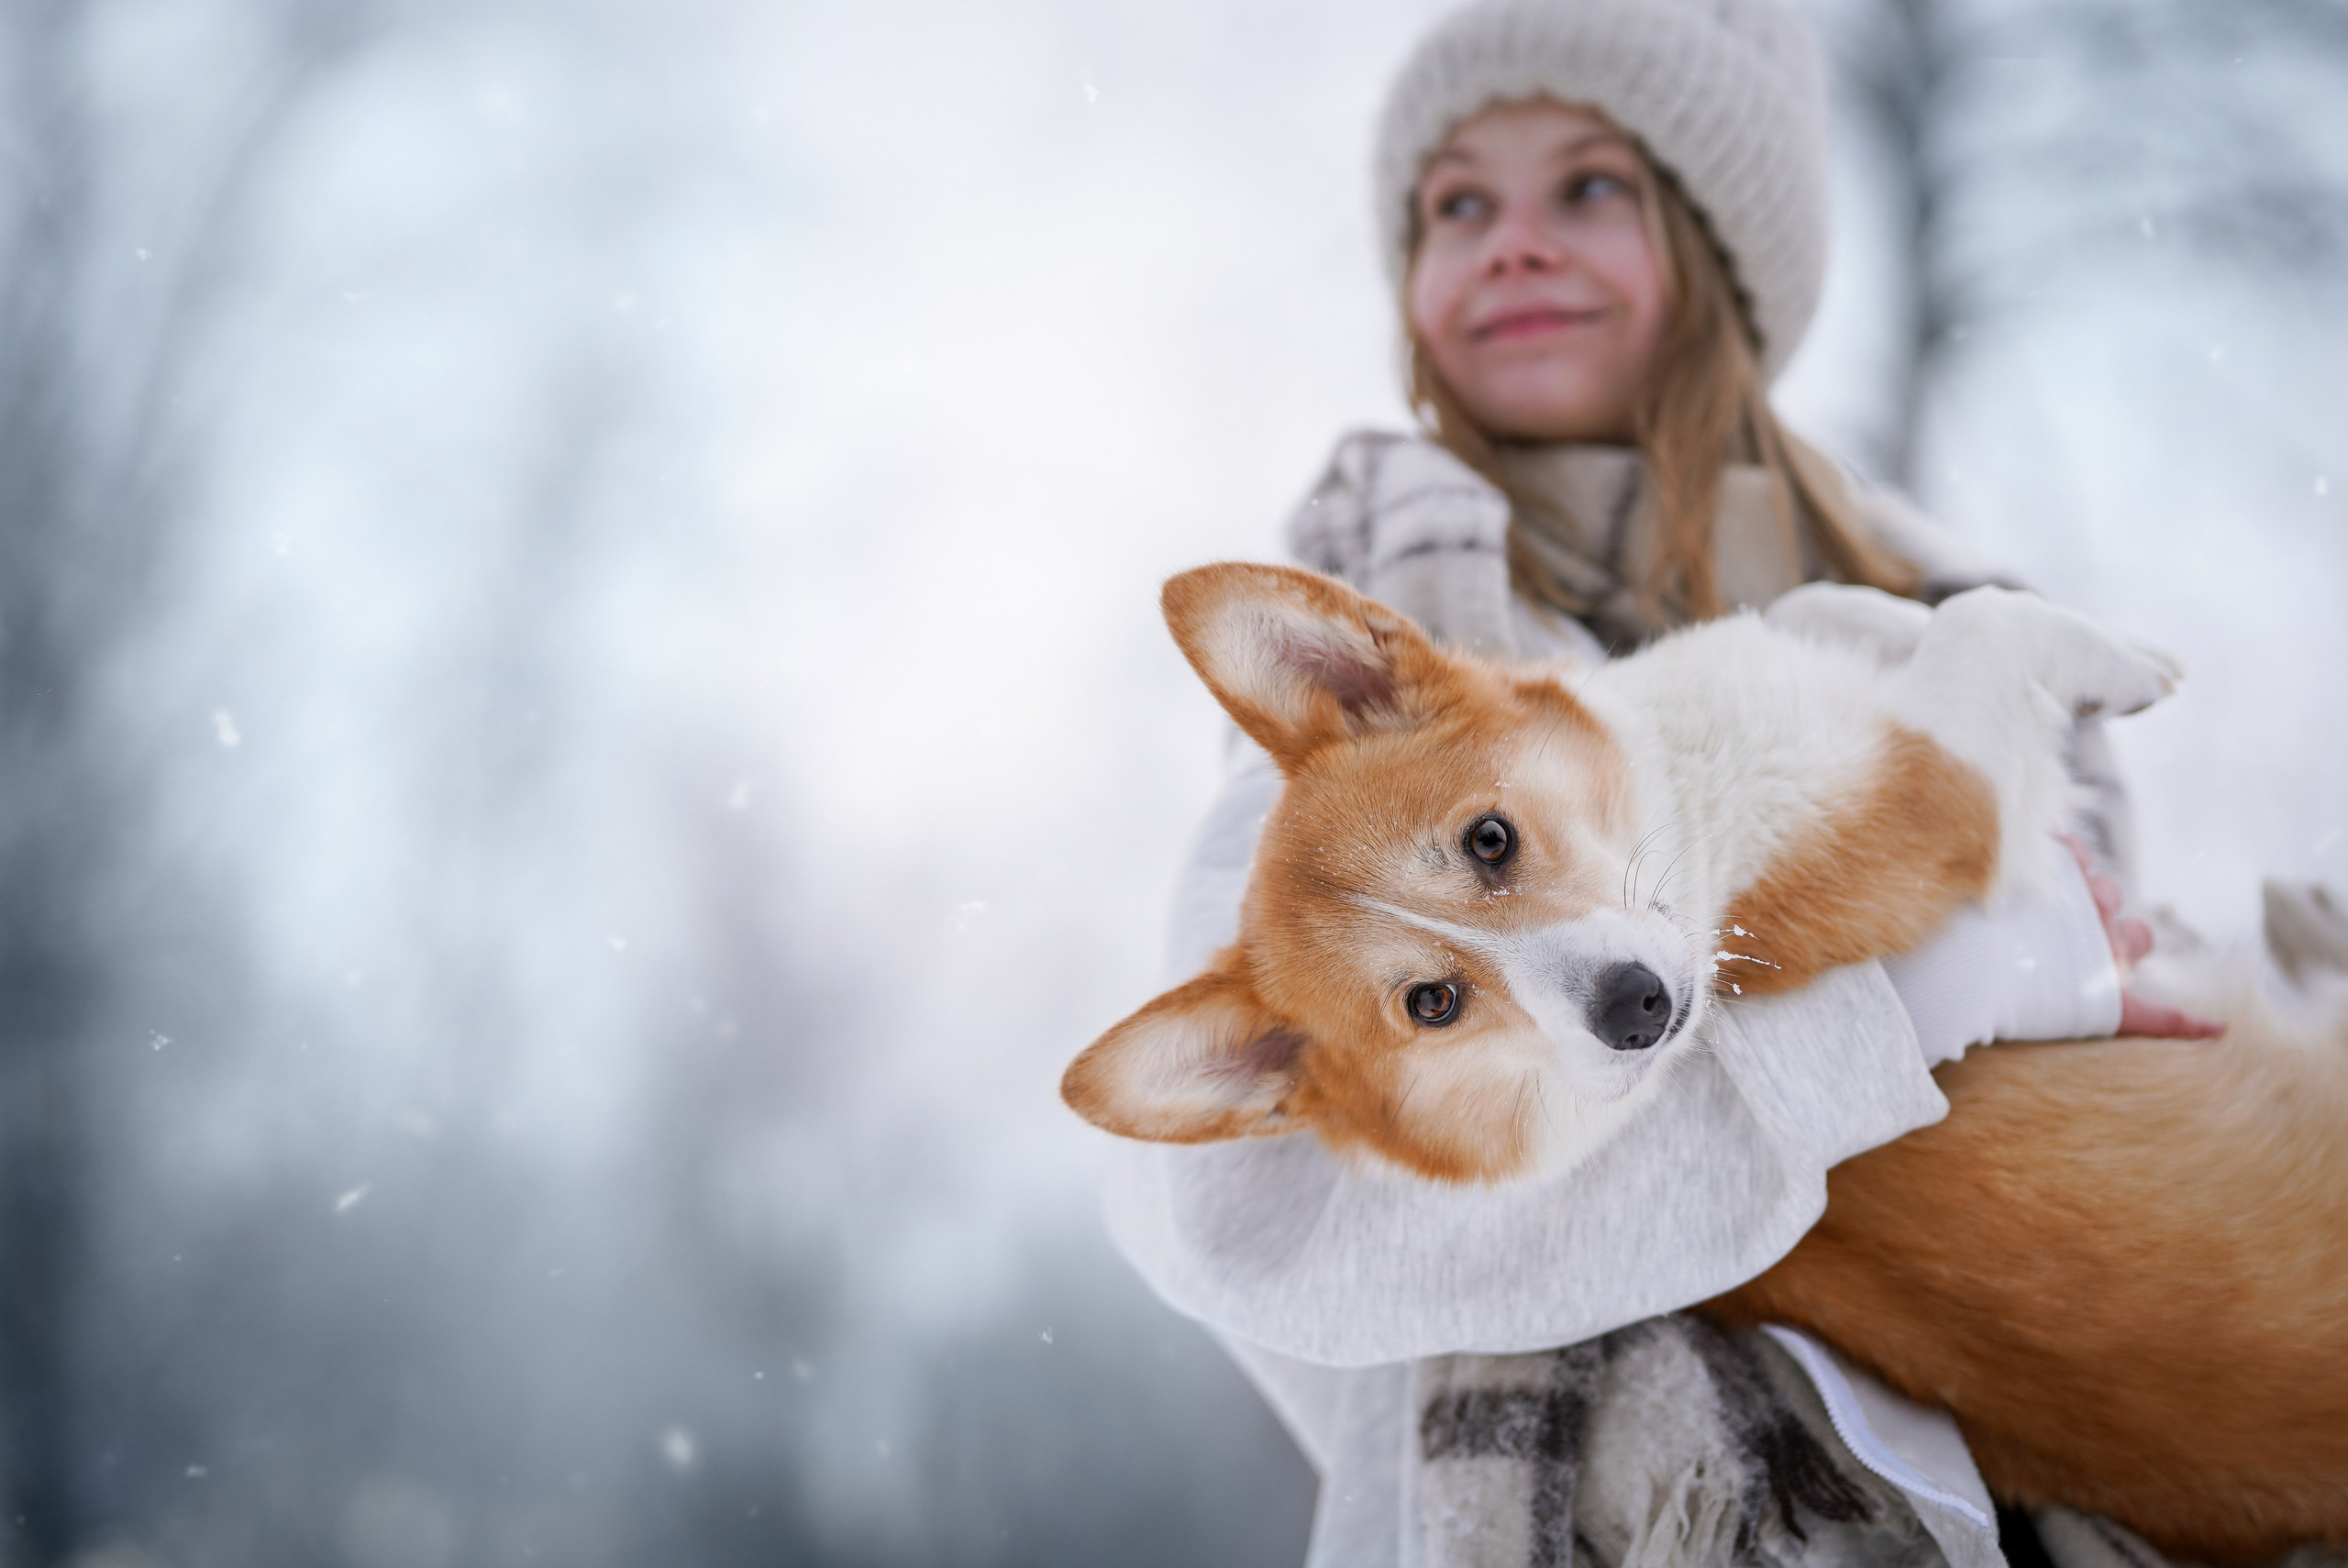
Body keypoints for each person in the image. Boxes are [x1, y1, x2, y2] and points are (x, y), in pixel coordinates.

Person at [1096, 1, 2214, 1565]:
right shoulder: (1361, 666)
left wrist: (2061, 971)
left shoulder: (1950, 600)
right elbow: (1260, 1224)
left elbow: (2123, 1023)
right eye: (1456, 203)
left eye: (1591, 187)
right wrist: (1891, 1009)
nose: (1514, 243)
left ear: (1718, 243)